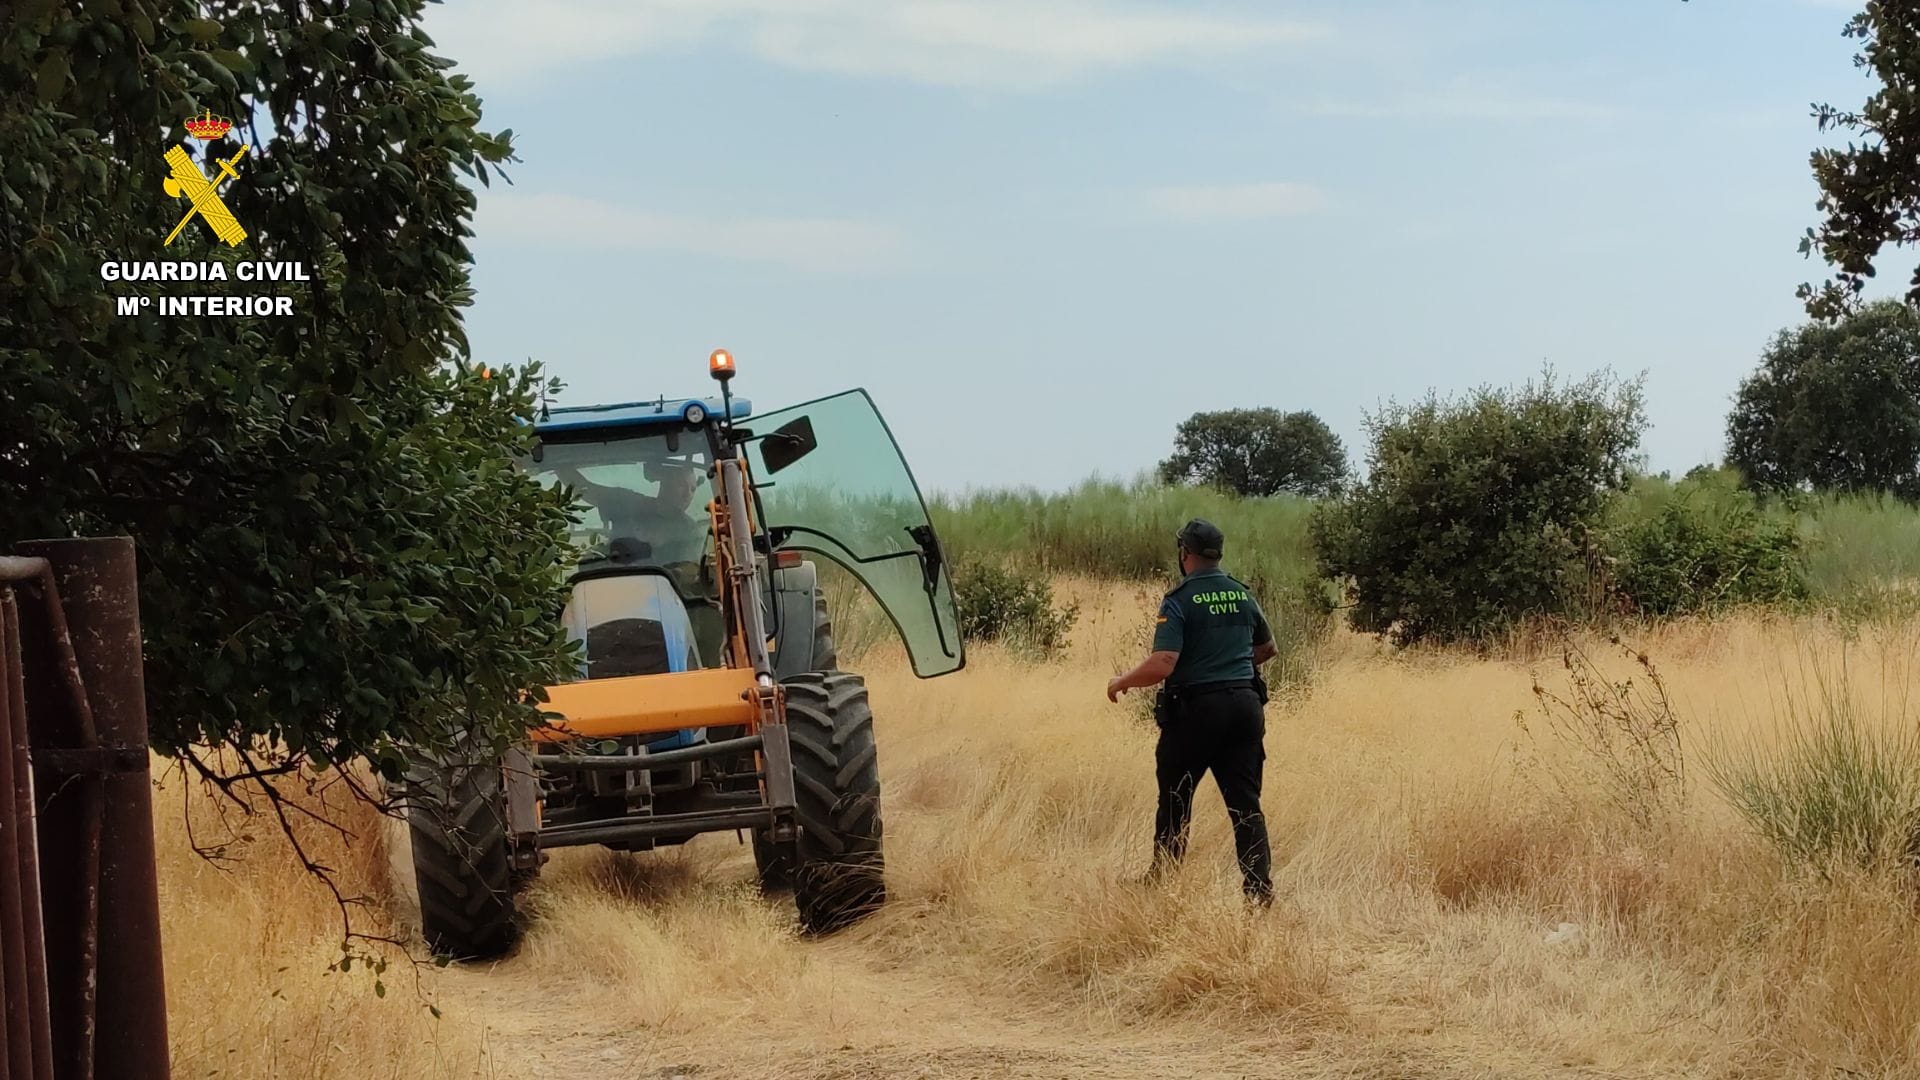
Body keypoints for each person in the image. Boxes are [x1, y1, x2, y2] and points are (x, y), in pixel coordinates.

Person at [1106, 518, 1278, 905]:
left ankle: (1163, 883)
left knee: (1176, 800)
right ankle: (1258, 893)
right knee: (1246, 806)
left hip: (1196, 712)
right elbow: (1268, 649)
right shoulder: (1241, 594)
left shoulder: (1180, 599)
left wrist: (1123, 681)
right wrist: (1230, 665)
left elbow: (1164, 661)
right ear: (1218, 553)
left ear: (1184, 553)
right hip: (1244, 707)